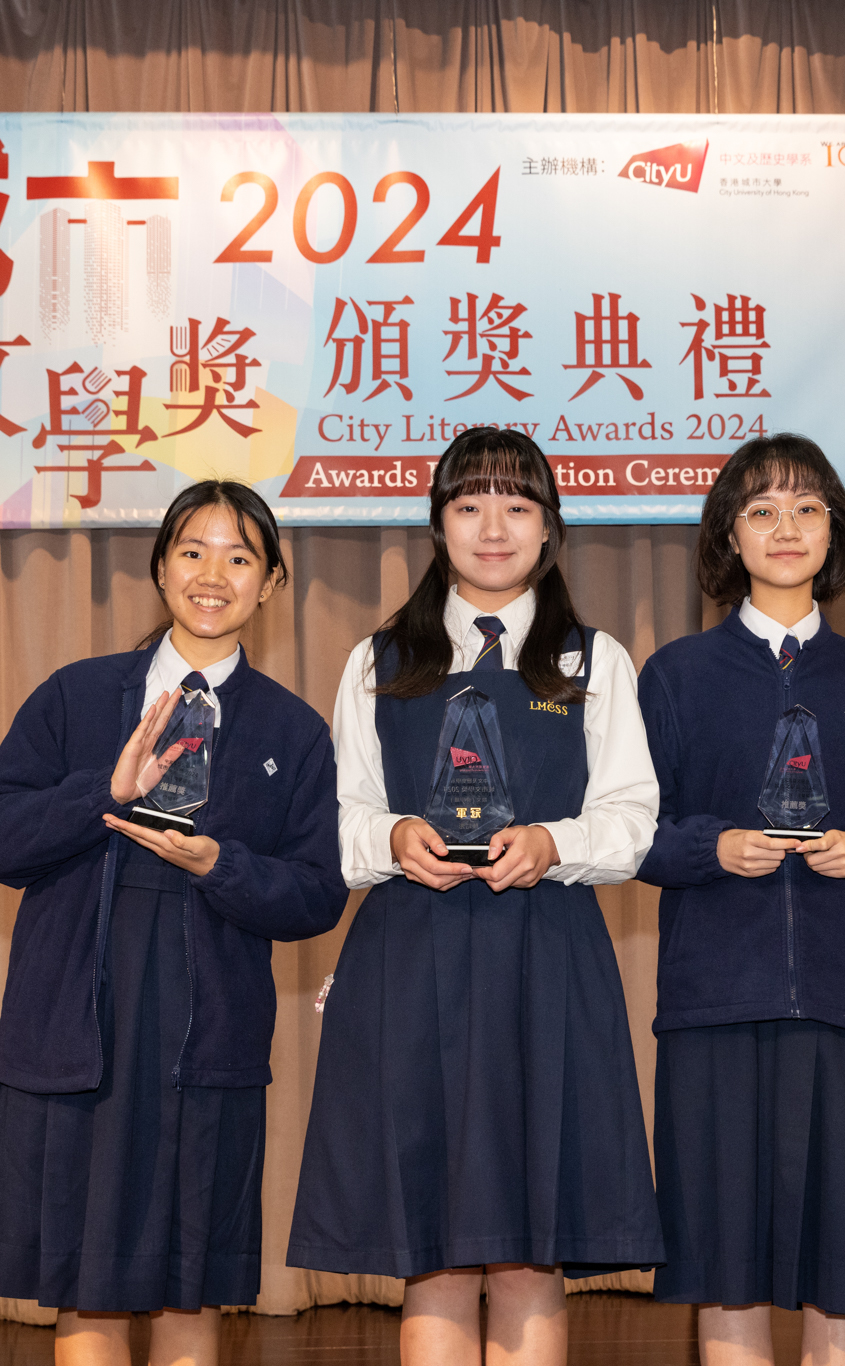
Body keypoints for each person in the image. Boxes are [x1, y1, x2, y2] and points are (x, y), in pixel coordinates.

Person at [287, 427, 663, 1366]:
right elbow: (339, 815)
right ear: (438, 524)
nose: (493, 528)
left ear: (549, 526)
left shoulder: (594, 660)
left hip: (546, 960)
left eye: (517, 505)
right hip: (412, 959)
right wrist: (390, 837)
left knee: (532, 1246)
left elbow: (632, 819)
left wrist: (553, 843)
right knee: (435, 1250)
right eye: (469, 505)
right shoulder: (380, 660)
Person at [0, 480, 347, 1366]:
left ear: (270, 584)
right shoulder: (79, 697)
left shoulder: (293, 731)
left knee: (188, 1292)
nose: (214, 575)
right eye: (193, 552)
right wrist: (103, 790)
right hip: (77, 1037)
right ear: (162, 567)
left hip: (205, 1049)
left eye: (240, 558)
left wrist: (222, 866)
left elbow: (318, 895)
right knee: (86, 1294)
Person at [636, 434, 845, 1366]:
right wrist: (711, 846)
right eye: (761, 510)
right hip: (718, 1003)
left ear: (834, 532)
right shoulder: (675, 675)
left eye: (807, 508)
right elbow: (630, 833)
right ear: (730, 535)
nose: (786, 527)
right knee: (727, 1263)